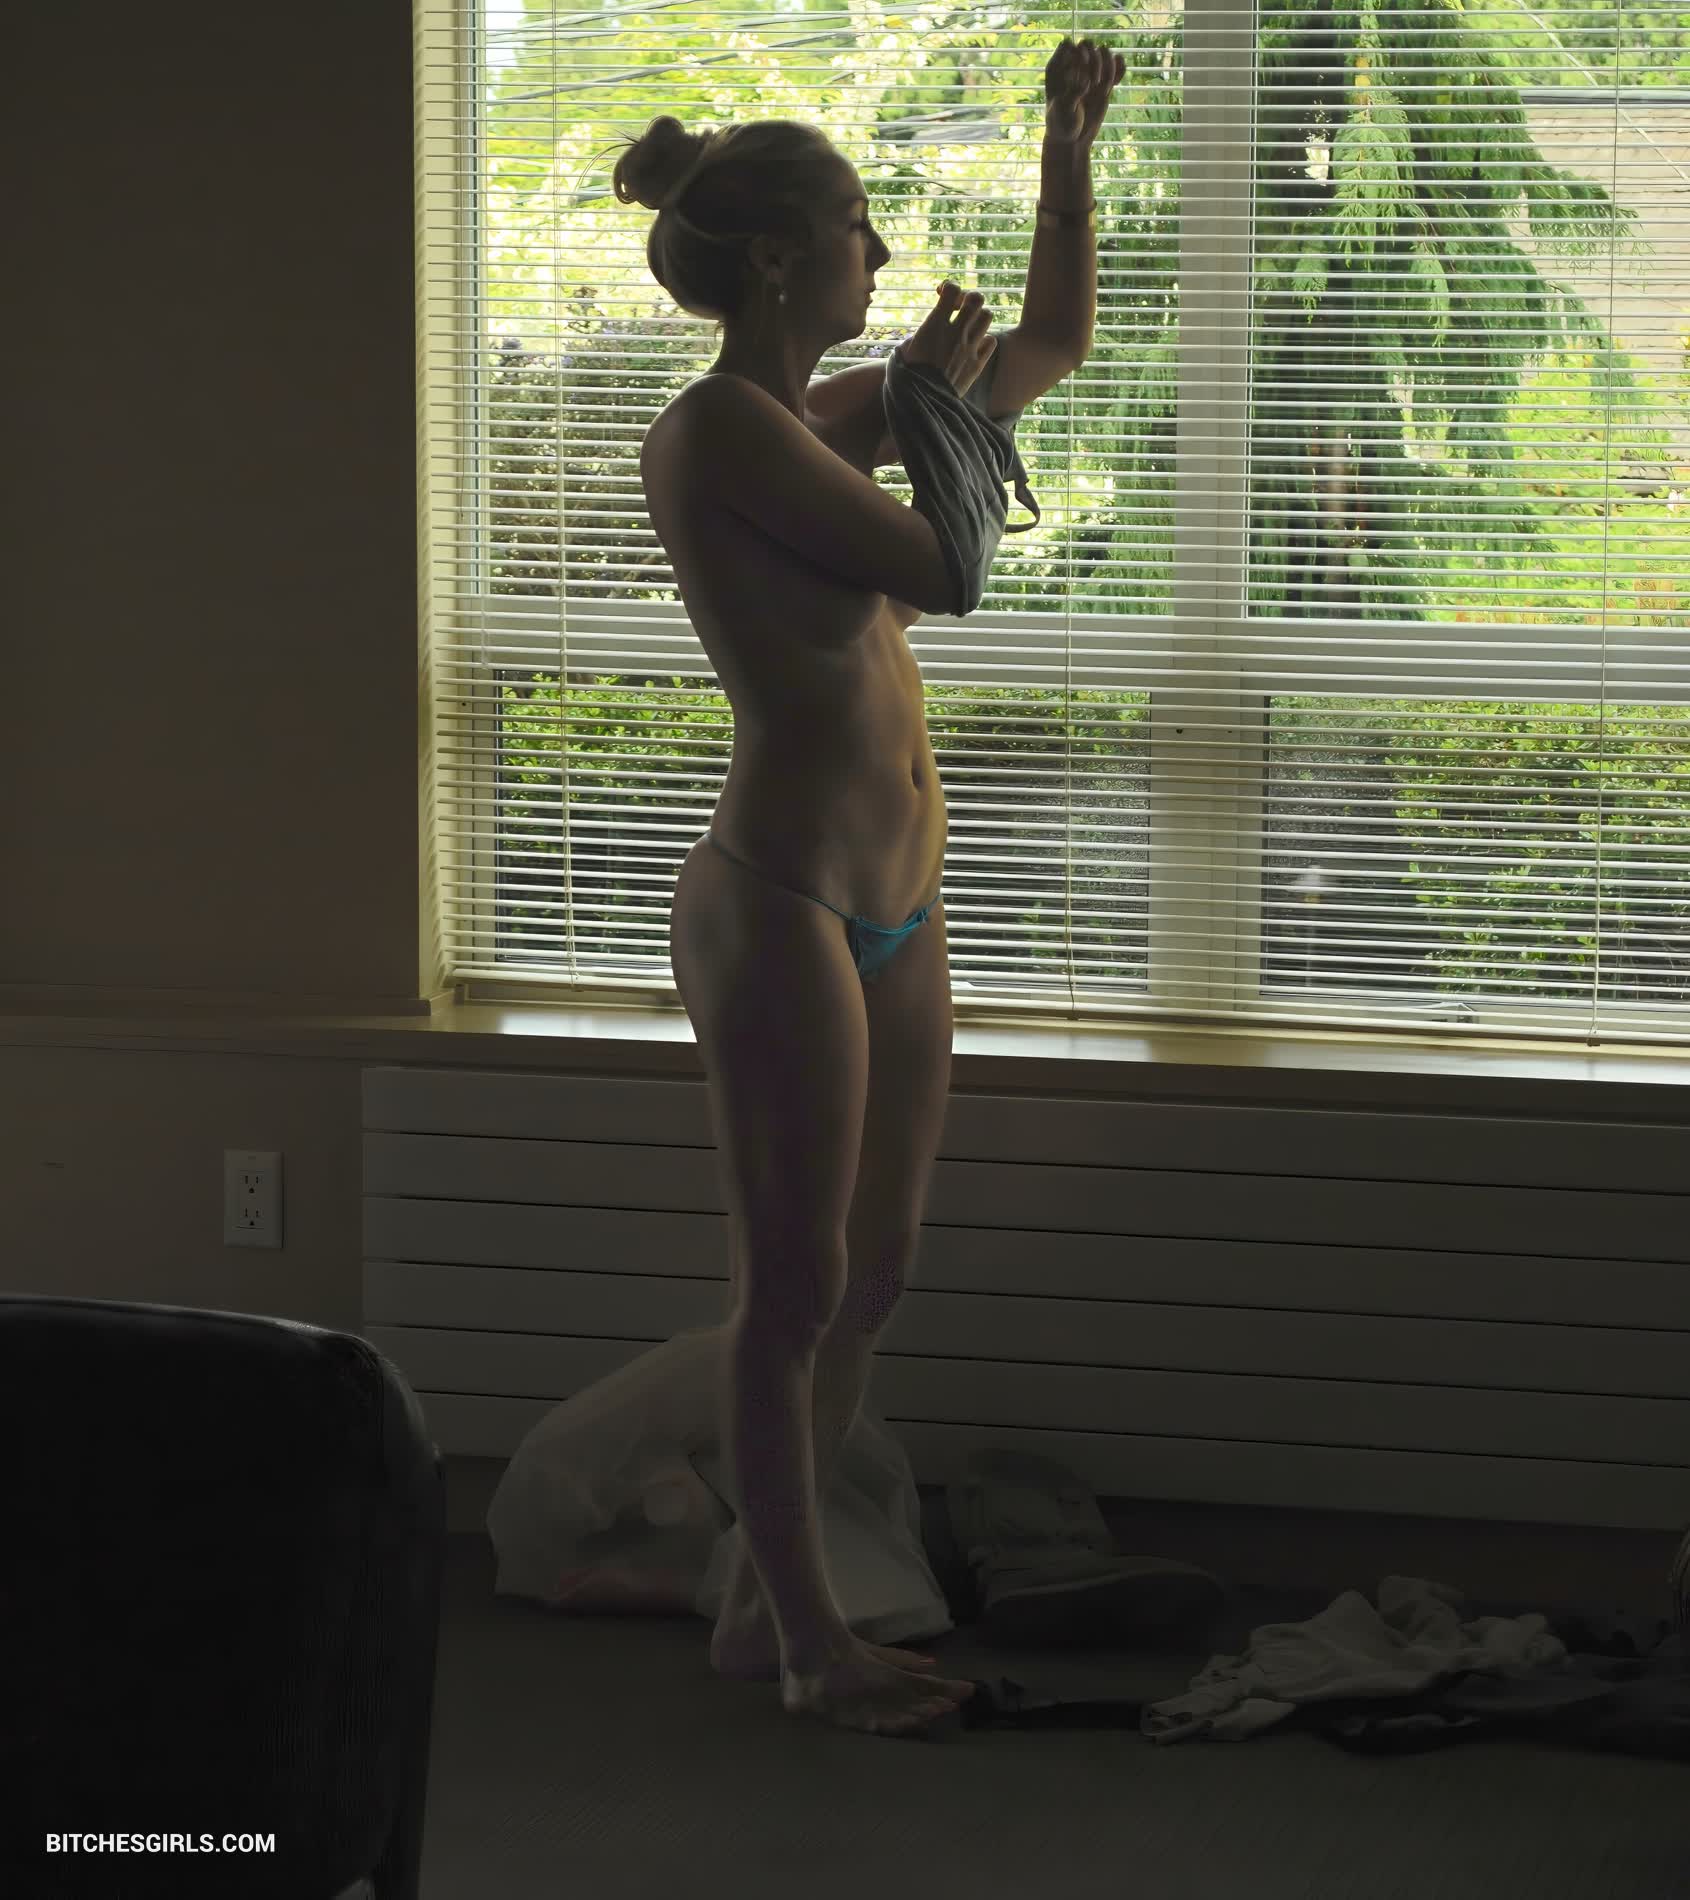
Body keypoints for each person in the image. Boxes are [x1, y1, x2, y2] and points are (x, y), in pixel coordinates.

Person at [613, 44, 1119, 1738]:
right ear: (777, 259)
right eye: (852, 224)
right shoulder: (716, 432)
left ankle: (764, 1604)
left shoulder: (818, 419)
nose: (879, 251)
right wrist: (931, 402)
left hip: (899, 904)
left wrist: (1064, 153)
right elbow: (944, 566)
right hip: (782, 898)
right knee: (793, 1289)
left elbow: (1050, 348)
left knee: (874, 1278)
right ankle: (811, 1647)